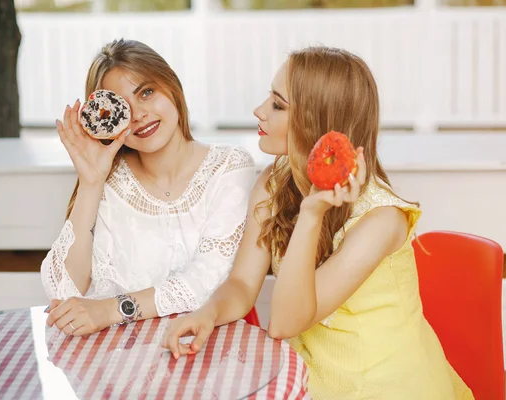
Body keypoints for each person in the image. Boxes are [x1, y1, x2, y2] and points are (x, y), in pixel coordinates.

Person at [162, 46, 473, 399]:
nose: (259, 111)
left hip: (386, 387)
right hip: (307, 378)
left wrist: (311, 214)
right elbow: (242, 284)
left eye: (278, 105)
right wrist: (208, 313)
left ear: (317, 123)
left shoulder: (381, 221)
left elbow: (284, 323)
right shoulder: (272, 183)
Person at [40, 38, 256, 337]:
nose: (139, 114)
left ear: (172, 87)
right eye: (123, 107)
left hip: (212, 349)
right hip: (123, 360)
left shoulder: (229, 167)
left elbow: (209, 277)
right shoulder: (110, 182)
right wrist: (91, 183)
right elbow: (64, 292)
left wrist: (111, 309)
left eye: (147, 92)